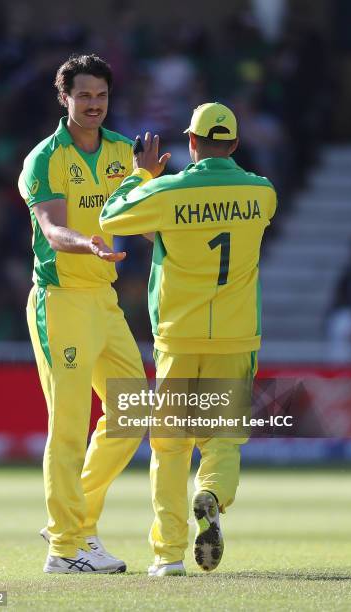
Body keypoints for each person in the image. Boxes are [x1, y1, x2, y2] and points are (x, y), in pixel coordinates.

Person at [100, 102, 277, 576]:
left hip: (178, 337)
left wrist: (141, 175)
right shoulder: (263, 194)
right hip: (236, 336)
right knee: (222, 440)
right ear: (236, 145)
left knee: (170, 446)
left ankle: (168, 556)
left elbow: (111, 219)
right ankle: (213, 494)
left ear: (192, 143)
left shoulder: (167, 191)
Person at [18, 54, 146, 574]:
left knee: (133, 411)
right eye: (84, 96)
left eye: (102, 96)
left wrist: (155, 181)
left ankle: (75, 521)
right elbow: (52, 230)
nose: (94, 105)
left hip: (104, 299)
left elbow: (145, 212)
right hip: (61, 298)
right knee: (69, 427)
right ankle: (65, 550)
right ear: (64, 98)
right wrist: (87, 245)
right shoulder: (44, 157)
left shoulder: (123, 151)